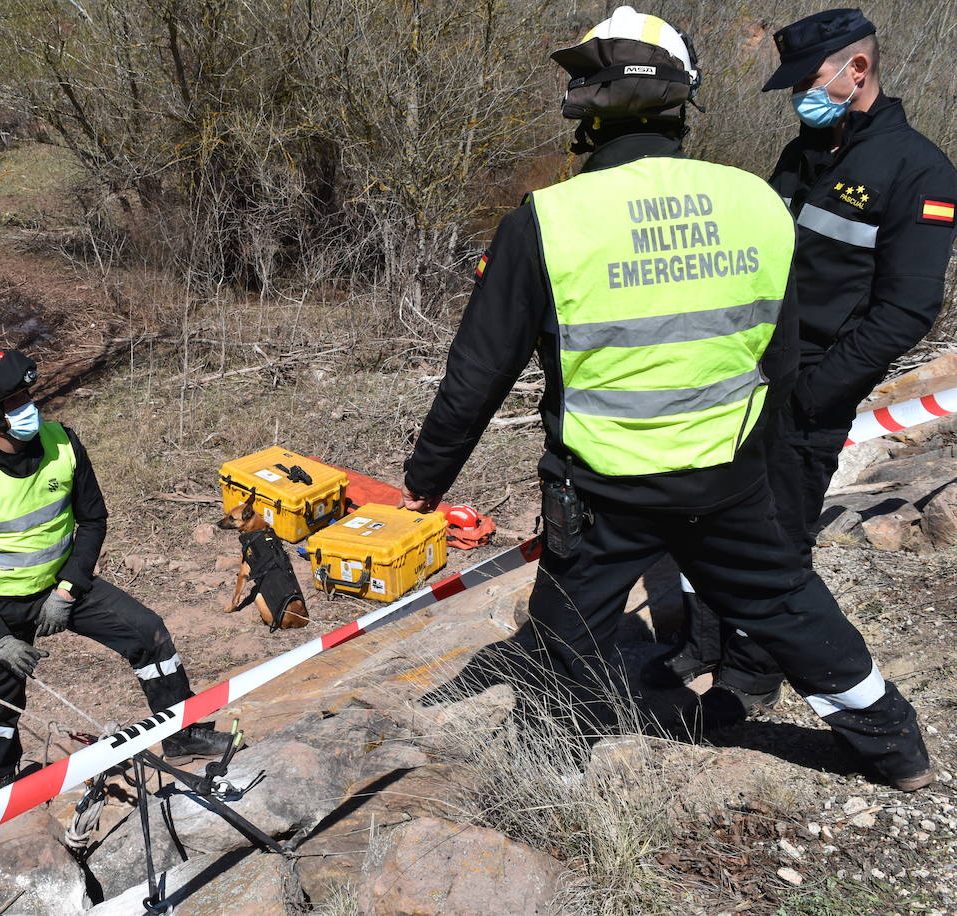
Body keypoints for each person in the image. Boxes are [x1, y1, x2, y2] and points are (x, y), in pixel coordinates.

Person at [400, 6, 933, 790]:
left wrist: (426, 484)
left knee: (567, 629)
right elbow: (778, 357)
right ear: (683, 106)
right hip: (729, 474)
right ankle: (895, 746)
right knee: (789, 603)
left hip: (605, 490)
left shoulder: (546, 222)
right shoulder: (754, 200)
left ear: (586, 120)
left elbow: (475, 380)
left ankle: (555, 774)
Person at [651, 8, 957, 716]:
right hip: (738, 374)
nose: (797, 97)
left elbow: (907, 311)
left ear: (858, 70)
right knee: (704, 516)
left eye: (807, 81)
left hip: (808, 391)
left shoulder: (919, 170)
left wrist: (813, 392)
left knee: (776, 537)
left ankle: (750, 678)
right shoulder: (804, 152)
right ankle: (703, 644)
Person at [0, 348, 233, 791]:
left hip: (65, 586)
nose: (29, 408)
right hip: (0, 605)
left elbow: (93, 520)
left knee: (149, 634)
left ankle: (182, 734)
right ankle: (3, 779)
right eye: (15, 401)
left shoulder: (64, 442)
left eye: (27, 396)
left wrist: (68, 589)